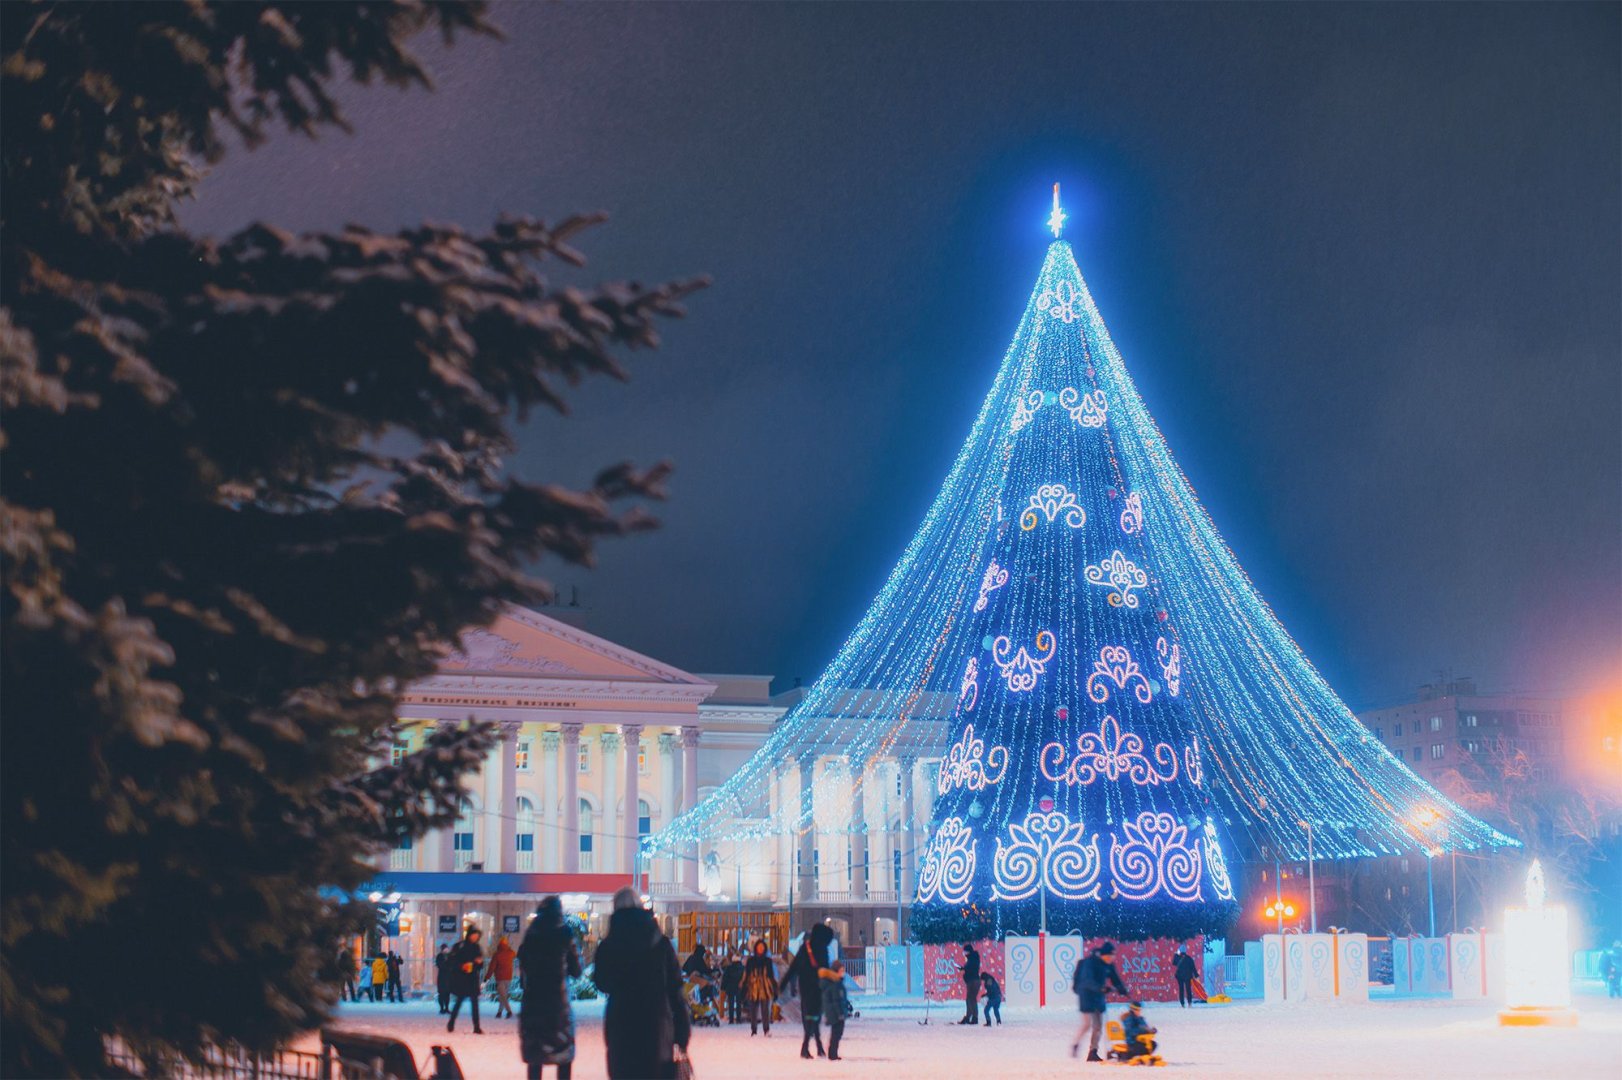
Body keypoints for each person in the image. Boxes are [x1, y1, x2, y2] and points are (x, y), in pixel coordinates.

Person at [592, 886, 690, 1079]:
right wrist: (682, 1034)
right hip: (657, 1027)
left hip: (621, 1027)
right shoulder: (661, 944)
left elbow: (602, 983)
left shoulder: (608, 946)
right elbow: (676, 990)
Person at [518, 897, 581, 1080]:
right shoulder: (565, 933)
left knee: (535, 1056)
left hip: (533, 1004)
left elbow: (525, 965)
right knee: (563, 1054)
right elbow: (577, 970)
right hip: (557, 1006)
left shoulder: (531, 934)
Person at [780, 924, 833, 1059]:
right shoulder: (822, 950)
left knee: (810, 1017)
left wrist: (783, 984)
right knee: (814, 1018)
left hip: (805, 988)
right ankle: (810, 1047)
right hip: (817, 988)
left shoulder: (806, 948)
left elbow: (793, 968)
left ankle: (814, 1047)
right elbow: (825, 970)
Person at [1071, 942, 1129, 1062]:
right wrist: (1101, 988)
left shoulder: (1108, 964)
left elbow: (1115, 978)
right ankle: (1076, 1044)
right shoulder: (1090, 963)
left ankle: (1093, 1052)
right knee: (1087, 1024)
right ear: (1103, 955)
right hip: (1086, 994)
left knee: (1098, 1026)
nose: (1111, 959)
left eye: (1112, 957)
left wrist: (1122, 989)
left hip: (1098, 995)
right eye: (1109, 956)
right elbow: (1087, 980)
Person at [446, 927, 485, 1033]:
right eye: (474, 935)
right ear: (469, 935)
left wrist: (479, 963)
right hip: (462, 979)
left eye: (477, 936)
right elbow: (451, 961)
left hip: (473, 979)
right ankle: (451, 1022)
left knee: (475, 1004)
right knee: (459, 1002)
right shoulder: (460, 946)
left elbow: (480, 964)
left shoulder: (477, 947)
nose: (475, 938)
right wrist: (461, 966)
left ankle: (476, 1026)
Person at [741, 938, 777, 1036]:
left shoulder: (768, 961)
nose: (760, 949)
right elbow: (746, 974)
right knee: (753, 1010)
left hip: (765, 988)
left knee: (765, 1010)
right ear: (756, 948)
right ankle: (754, 1030)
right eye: (759, 947)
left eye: (762, 947)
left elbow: (771, 975)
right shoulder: (751, 961)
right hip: (753, 987)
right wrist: (743, 986)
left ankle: (766, 1029)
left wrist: (774, 988)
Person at [818, 960, 849, 1061]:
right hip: (835, 1012)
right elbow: (836, 1000)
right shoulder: (835, 983)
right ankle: (833, 1054)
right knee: (836, 1033)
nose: (842, 972)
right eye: (841, 970)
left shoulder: (835, 981)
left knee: (836, 1033)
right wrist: (840, 1013)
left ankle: (833, 1053)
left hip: (833, 1011)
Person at [489, 934, 517, 1019]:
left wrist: (487, 976)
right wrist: (509, 947)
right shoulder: (510, 953)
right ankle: (499, 1012)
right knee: (503, 995)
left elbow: (492, 967)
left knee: (503, 996)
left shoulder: (497, 954)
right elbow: (514, 953)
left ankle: (509, 1011)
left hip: (500, 977)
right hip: (508, 977)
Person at [958, 942, 981, 1024]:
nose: (964, 953)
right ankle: (969, 1016)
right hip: (972, 980)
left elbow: (971, 968)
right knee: (969, 999)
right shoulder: (973, 958)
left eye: (965, 952)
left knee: (971, 999)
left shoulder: (972, 958)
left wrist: (964, 969)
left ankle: (974, 1017)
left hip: (973, 980)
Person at [721, 950, 745, 1024]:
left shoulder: (729, 968)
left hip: (730, 987)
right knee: (738, 1003)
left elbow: (725, 978)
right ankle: (738, 1019)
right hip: (739, 987)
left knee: (730, 1003)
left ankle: (731, 1019)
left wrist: (723, 987)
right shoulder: (743, 968)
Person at [435, 944, 453, 1013]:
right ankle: (442, 1008)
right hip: (442, 977)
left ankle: (447, 1008)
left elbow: (452, 964)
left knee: (447, 994)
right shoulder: (439, 956)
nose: (446, 950)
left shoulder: (450, 956)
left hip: (448, 977)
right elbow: (439, 965)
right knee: (441, 993)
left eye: (447, 948)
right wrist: (447, 966)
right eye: (445, 949)